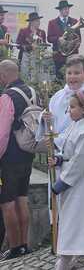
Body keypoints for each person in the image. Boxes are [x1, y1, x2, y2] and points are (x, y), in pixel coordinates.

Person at [48, 91, 84, 270]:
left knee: (76, 223)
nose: (68, 111)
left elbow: (79, 162)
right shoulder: (75, 126)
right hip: (74, 186)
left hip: (82, 186)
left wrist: (62, 183)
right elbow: (67, 149)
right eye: (69, 107)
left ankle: (64, 261)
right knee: (81, 223)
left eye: (72, 107)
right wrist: (58, 159)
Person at [0, 60, 37, 260]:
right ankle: (24, 244)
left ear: (5, 75)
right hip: (27, 152)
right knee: (22, 198)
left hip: (10, 156)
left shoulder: (7, 96)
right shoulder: (31, 91)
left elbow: (3, 132)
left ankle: (14, 247)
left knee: (6, 202)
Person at [47, 0, 80, 80]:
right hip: (59, 55)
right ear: (60, 10)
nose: (67, 10)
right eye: (65, 9)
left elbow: (78, 38)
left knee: (73, 77)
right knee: (59, 78)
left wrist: (72, 44)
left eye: (68, 8)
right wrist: (58, 39)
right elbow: (49, 38)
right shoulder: (52, 22)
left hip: (72, 55)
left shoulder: (74, 21)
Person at [16, 12, 47, 82]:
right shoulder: (23, 31)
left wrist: (41, 43)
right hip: (25, 57)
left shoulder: (42, 32)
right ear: (31, 22)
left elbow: (45, 46)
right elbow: (18, 44)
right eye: (37, 21)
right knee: (25, 76)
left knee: (36, 77)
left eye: (39, 21)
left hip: (38, 58)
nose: (39, 23)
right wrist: (29, 47)